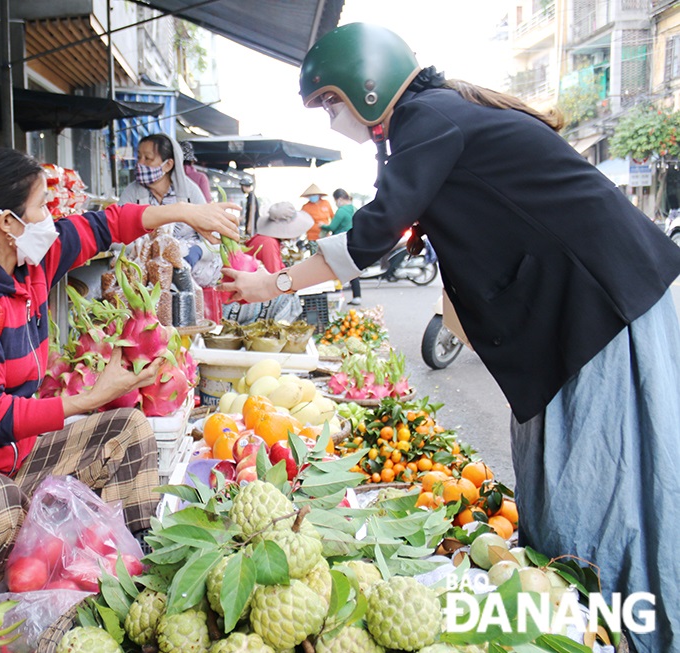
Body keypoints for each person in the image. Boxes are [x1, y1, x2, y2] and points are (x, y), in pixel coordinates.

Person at [221, 23, 680, 653]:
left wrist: (272, 282)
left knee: (609, 493)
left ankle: (633, 632)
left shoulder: (430, 120)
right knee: (563, 491)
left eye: (330, 101)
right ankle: (576, 622)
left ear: (369, 83)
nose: (331, 120)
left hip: (600, 307)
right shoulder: (434, 120)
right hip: (574, 312)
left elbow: (374, 231)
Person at [0, 147, 239, 599]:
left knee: (129, 430)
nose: (49, 218)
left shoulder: (30, 266)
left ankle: (133, 585)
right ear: (6, 222)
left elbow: (107, 225)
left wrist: (190, 211)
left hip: (8, 459)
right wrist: (89, 398)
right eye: (40, 206)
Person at [120, 134, 218, 286]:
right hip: (143, 278)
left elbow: (214, 240)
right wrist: (142, 252)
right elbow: (115, 232)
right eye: (139, 157)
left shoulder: (190, 192)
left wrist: (197, 252)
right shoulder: (132, 193)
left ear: (168, 164)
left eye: (148, 159)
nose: (140, 163)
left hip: (191, 275)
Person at [224, 201, 308, 326]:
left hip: (244, 294)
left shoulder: (264, 239)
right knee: (289, 298)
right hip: (241, 301)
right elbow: (274, 281)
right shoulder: (268, 243)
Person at [321, 188, 362, 304]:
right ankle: (357, 296)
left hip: (342, 243)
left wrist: (322, 226)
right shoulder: (355, 209)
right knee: (352, 268)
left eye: (335, 200)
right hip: (355, 241)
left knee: (336, 267)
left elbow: (332, 227)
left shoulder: (341, 211)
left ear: (339, 199)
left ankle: (336, 295)